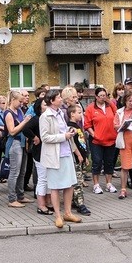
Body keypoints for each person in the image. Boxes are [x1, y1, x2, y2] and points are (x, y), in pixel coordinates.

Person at [39, 89, 82, 228]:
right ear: (52, 101)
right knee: (55, 186)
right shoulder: (45, 116)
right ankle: (58, 215)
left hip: (66, 152)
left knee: (69, 184)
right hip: (54, 155)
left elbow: (63, 130)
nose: (61, 99)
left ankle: (68, 213)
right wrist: (63, 136)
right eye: (58, 97)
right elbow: (45, 137)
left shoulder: (61, 114)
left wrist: (70, 131)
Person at [61, 86, 91, 215]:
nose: (76, 99)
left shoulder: (77, 125)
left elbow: (81, 141)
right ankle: (80, 203)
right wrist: (79, 154)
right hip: (72, 155)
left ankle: (75, 200)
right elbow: (72, 142)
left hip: (80, 155)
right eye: (73, 97)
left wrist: (85, 155)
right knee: (77, 181)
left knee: (78, 179)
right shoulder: (69, 125)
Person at [83, 86, 118, 194]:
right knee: (97, 162)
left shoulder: (110, 106)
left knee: (109, 162)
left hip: (111, 139)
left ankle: (108, 183)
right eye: (101, 96)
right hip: (96, 141)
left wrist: (110, 102)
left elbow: (117, 115)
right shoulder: (90, 108)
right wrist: (94, 134)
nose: (103, 98)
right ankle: (96, 184)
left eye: (105, 95)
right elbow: (87, 124)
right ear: (96, 97)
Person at [3, 90, 33, 207]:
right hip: (14, 143)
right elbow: (12, 131)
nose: (21, 103)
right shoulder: (8, 113)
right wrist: (25, 122)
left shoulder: (19, 110)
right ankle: (12, 199)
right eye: (19, 101)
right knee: (14, 172)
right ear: (13, 100)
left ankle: (20, 196)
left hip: (22, 143)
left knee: (22, 171)